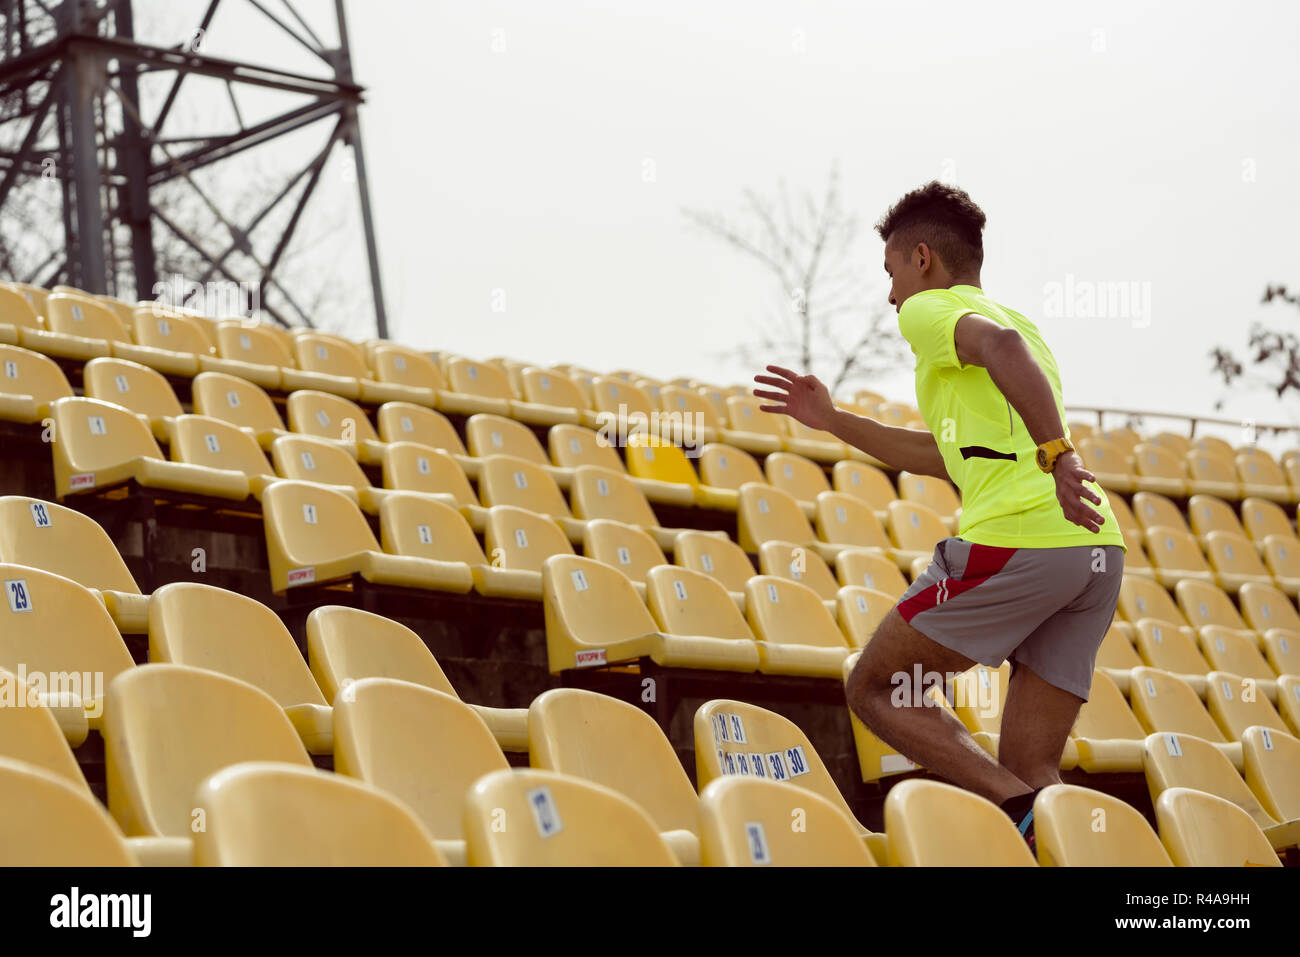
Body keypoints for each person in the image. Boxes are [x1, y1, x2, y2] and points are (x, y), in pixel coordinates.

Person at [752, 181, 1126, 851]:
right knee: (1033, 765)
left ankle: (1016, 806)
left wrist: (1060, 453)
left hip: (1023, 537)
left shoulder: (930, 312)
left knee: (874, 685)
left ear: (921, 258)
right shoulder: (1025, 331)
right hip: (1093, 553)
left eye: (891, 271)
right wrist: (834, 420)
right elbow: (944, 454)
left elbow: (999, 347)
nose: (890, 294)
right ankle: (1048, 819)